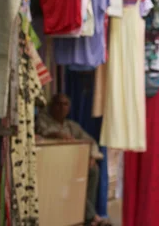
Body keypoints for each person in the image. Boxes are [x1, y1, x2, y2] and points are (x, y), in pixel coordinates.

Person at [35, 94, 110, 226]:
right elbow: (43, 131)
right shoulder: (43, 120)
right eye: (58, 104)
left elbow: (91, 141)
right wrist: (56, 134)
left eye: (65, 104)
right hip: (51, 166)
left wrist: (91, 156)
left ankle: (87, 215)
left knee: (93, 170)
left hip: (71, 164)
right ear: (52, 106)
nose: (61, 107)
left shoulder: (72, 126)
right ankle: (92, 216)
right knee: (70, 179)